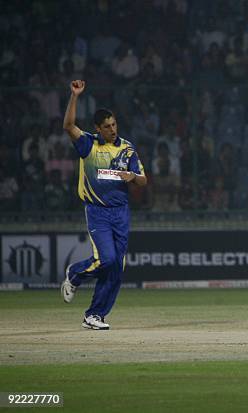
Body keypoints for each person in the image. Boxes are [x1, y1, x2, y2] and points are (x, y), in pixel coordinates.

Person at [61, 80, 147, 330]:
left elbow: (143, 180)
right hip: (97, 212)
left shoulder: (127, 148)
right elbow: (68, 125)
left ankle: (94, 316)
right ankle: (75, 274)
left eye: (114, 124)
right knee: (107, 260)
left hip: (121, 213)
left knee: (117, 268)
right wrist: (75, 96)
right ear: (97, 128)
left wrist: (133, 178)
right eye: (107, 126)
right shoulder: (89, 144)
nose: (112, 129)